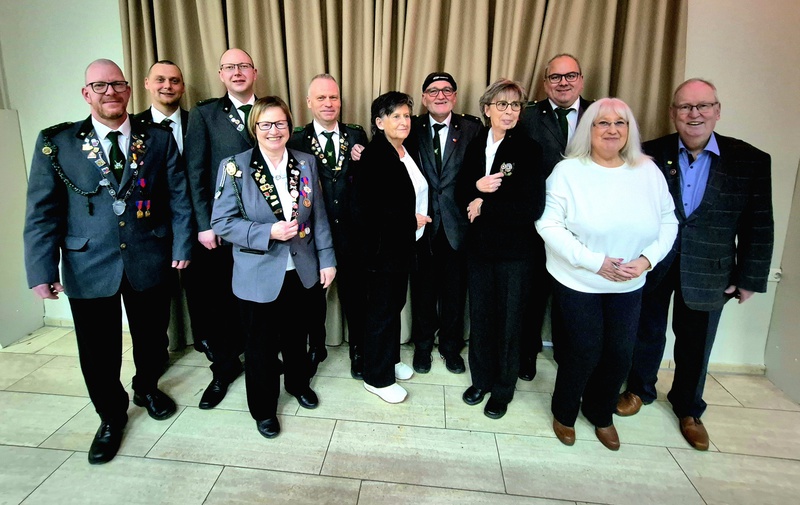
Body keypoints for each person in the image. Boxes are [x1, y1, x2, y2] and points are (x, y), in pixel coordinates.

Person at [23, 59, 193, 464]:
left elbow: (178, 196)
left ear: (129, 90)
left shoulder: (157, 139)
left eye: (117, 84)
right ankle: (111, 417)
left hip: (149, 256)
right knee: (98, 350)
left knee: (152, 339)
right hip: (87, 263)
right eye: (99, 86)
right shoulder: (57, 142)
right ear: (86, 94)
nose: (110, 92)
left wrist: (182, 246)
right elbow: (42, 212)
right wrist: (41, 269)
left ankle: (147, 388)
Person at [617, 79, 774, 451]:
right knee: (645, 331)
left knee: (697, 342)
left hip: (710, 268)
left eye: (703, 106)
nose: (694, 114)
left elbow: (758, 223)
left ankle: (688, 408)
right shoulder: (647, 153)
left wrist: (750, 277)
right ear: (673, 113)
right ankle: (639, 389)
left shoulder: (750, 160)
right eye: (686, 107)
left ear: (717, 111)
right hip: (654, 262)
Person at [536, 98, 678, 450]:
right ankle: (564, 412)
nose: (612, 129)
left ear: (630, 130)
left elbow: (668, 220)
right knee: (583, 350)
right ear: (589, 129)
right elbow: (548, 224)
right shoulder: (568, 172)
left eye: (620, 123)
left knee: (619, 354)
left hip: (629, 282)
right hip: (579, 280)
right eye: (603, 123)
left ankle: (600, 413)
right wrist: (594, 261)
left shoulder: (648, 171)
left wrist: (646, 260)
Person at [210, 96, 336, 439]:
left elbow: (318, 216)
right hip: (258, 274)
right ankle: (264, 409)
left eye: (280, 123)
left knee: (297, 337)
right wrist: (267, 232)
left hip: (301, 268)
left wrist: (327, 259)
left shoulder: (306, 162)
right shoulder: (234, 167)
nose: (273, 130)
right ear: (255, 128)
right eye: (265, 124)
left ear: (289, 126)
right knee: (260, 347)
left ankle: (298, 384)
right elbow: (221, 222)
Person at [456, 79, 546, 419]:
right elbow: (461, 192)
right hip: (479, 250)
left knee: (509, 323)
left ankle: (503, 389)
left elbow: (532, 206)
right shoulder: (476, 142)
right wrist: (475, 189)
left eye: (515, 105)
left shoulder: (529, 149)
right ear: (487, 109)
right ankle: (481, 380)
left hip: (515, 253)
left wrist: (485, 205)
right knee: (480, 318)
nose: (509, 111)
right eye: (502, 105)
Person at [184, 48, 257, 410]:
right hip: (223, 229)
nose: (237, 72)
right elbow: (195, 172)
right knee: (221, 304)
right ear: (220, 74)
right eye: (230, 67)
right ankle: (224, 368)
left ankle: (259, 360)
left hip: (265, 229)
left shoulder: (269, 110)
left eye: (243, 66)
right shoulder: (205, 114)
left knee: (259, 301)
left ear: (254, 72)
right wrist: (204, 224)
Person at [517, 53, 594, 379]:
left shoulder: (599, 114)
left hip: (584, 222)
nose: (563, 83)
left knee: (573, 295)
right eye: (555, 77)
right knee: (532, 293)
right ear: (545, 82)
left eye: (570, 76)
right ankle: (527, 353)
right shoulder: (528, 115)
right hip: (536, 219)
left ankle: (567, 354)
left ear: (581, 80)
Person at [288, 74, 368, 380]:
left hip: (352, 232)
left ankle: (358, 349)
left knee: (356, 296)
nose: (328, 103)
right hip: (312, 234)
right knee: (311, 298)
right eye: (321, 98)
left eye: (333, 97)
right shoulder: (296, 139)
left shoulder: (356, 134)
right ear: (309, 102)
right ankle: (316, 347)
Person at [354, 91, 429, 404]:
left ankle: (390, 359)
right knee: (382, 313)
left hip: (402, 248)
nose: (403, 121)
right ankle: (377, 378)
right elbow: (369, 211)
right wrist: (411, 221)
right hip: (381, 252)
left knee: (394, 306)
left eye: (406, 116)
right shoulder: (374, 156)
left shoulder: (404, 150)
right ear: (379, 121)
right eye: (395, 116)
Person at [409, 72, 482, 375]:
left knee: (454, 294)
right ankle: (423, 346)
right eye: (433, 91)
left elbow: (482, 169)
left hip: (457, 225)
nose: (440, 95)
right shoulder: (410, 127)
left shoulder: (472, 128)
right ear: (424, 97)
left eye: (447, 90)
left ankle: (451, 347)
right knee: (423, 292)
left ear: (455, 96)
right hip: (422, 225)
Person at [132, 60, 188, 153]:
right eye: (160, 80)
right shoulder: (133, 125)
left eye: (174, 81)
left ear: (183, 87)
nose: (167, 86)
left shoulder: (196, 122)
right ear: (147, 83)